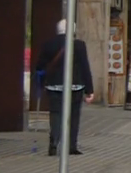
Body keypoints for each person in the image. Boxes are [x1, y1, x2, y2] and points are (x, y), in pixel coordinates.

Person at [35, 20, 95, 156]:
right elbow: (85, 67)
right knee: (74, 116)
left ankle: (54, 142)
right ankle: (71, 146)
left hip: (54, 86)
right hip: (75, 86)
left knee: (56, 114)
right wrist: (89, 90)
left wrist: (42, 82)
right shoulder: (79, 45)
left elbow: (40, 66)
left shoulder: (48, 44)